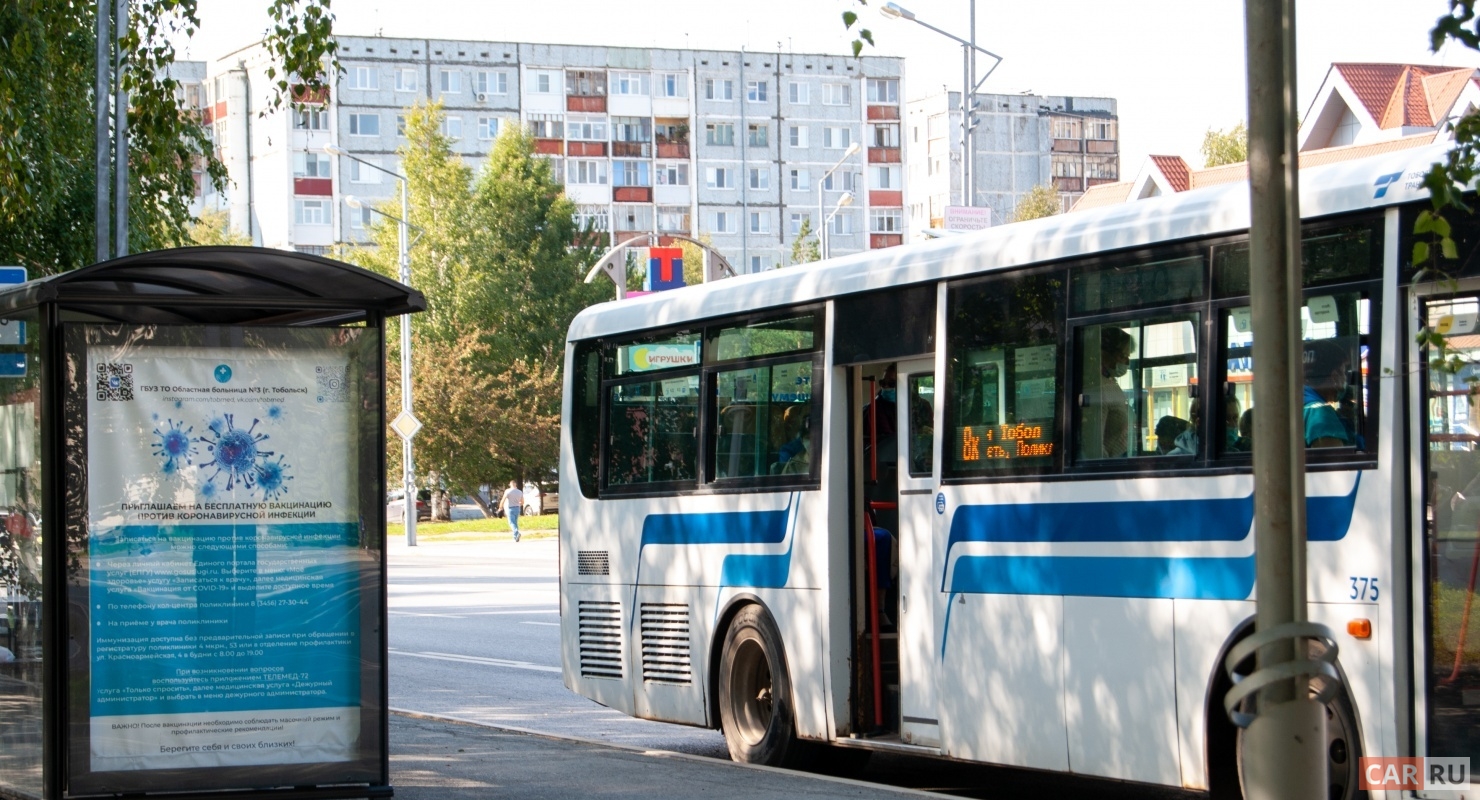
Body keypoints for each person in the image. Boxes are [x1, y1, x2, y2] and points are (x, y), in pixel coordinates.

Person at [1081, 327, 1134, 459]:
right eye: (1123, 356)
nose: (1127, 362)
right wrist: (1108, 467)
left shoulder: (1110, 382)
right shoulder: (1099, 387)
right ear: (1105, 354)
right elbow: (1094, 444)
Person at [1303, 339, 1355, 448]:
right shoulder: (1320, 414)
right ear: (1335, 376)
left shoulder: (1298, 404)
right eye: (1344, 372)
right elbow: (1334, 462)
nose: (1345, 379)